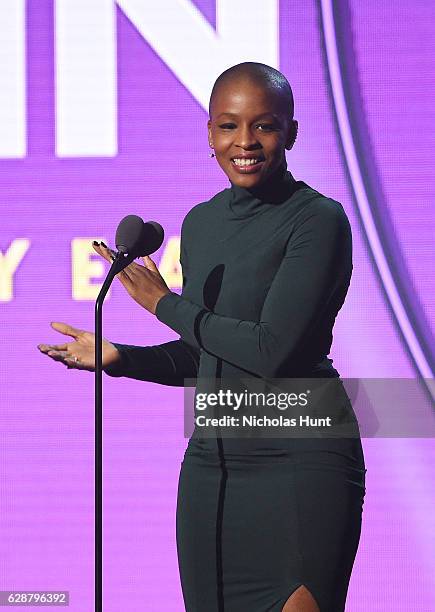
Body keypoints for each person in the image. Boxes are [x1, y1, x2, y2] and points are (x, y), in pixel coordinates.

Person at [38, 62, 367, 612]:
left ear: (290, 132)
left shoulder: (318, 220)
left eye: (263, 126)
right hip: (214, 465)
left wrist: (163, 303)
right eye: (228, 126)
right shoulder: (201, 223)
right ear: (209, 134)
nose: (245, 142)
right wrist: (120, 357)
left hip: (301, 459)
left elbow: (270, 350)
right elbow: (208, 351)